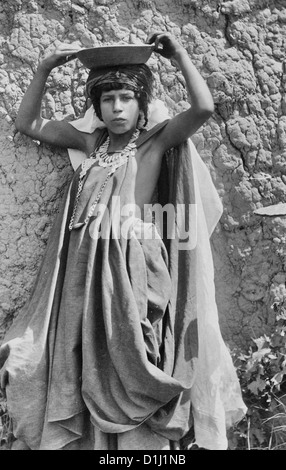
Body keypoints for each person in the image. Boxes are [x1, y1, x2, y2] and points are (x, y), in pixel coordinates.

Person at [0, 32, 246, 450]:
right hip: (82, 270)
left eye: (126, 98)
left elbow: (203, 108)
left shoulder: (155, 143)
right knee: (82, 360)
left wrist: (181, 55)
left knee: (130, 354)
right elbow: (28, 124)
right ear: (97, 106)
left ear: (141, 103)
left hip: (132, 266)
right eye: (108, 98)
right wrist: (42, 68)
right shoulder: (90, 144)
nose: (117, 107)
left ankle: (138, 450)